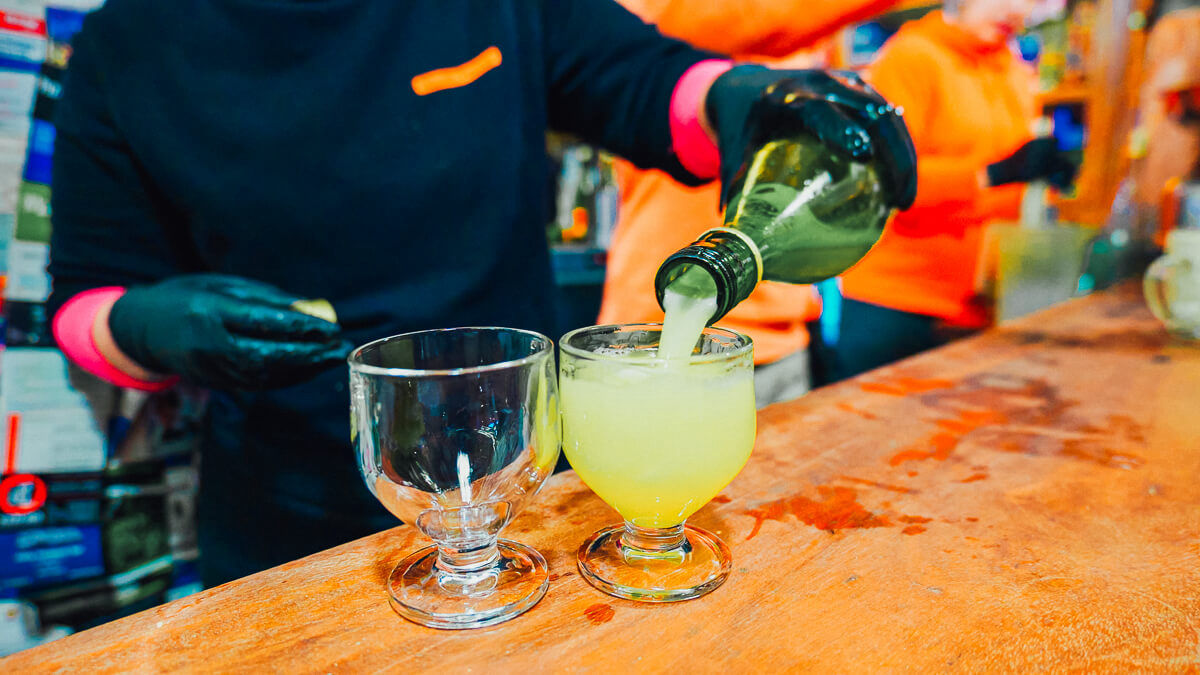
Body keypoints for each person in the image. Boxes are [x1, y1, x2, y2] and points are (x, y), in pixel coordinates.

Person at [46, 0, 916, 586]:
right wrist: (154, 327)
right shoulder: (129, 41)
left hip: (525, 488)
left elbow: (637, 79)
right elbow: (83, 295)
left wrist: (739, 96)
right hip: (292, 501)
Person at [600, 0, 903, 406]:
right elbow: (741, 19)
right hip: (654, 328)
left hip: (778, 336)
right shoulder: (668, 13)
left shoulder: (814, 37)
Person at [821, 0, 1078, 380]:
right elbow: (880, 181)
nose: (1019, 12)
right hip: (895, 301)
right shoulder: (911, 58)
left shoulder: (1013, 70)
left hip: (977, 303)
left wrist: (1045, 173)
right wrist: (991, 174)